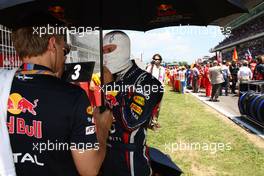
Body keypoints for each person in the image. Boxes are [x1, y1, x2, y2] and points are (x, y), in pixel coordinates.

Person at [3, 25, 113, 176]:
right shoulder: (73, 96)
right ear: (52, 44)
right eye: (65, 49)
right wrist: (102, 129)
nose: (64, 56)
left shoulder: (3, 83)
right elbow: (89, 169)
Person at [102, 31, 164, 176]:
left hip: (131, 158)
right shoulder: (110, 77)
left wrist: (110, 87)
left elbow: (130, 122)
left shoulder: (147, 82)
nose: (105, 55)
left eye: (110, 50)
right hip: (106, 154)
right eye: (103, 51)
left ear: (124, 49)